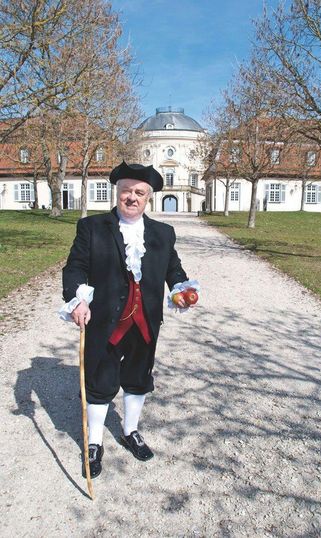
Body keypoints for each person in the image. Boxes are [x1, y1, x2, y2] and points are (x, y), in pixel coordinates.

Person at [60, 161, 199, 478]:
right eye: (126, 191)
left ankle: (130, 430)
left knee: (137, 378)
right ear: (117, 193)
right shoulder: (92, 228)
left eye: (139, 192)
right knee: (100, 381)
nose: (132, 197)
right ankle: (94, 442)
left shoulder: (164, 233)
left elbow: (173, 270)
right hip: (105, 320)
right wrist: (78, 298)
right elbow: (75, 267)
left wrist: (183, 289)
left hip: (146, 321)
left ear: (148, 197)